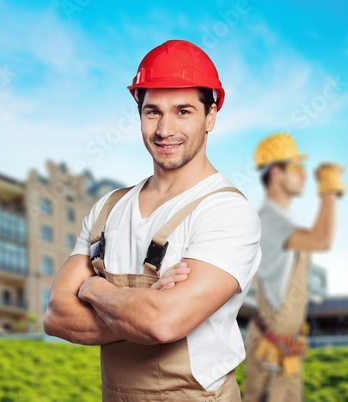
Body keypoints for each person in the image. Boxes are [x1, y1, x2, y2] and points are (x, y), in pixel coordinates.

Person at [44, 39, 261, 401]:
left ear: (211, 116)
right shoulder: (107, 209)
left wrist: (94, 289)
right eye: (153, 112)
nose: (165, 130)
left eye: (183, 111)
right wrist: (141, 304)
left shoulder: (226, 211)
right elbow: (56, 316)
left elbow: (163, 323)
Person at [243, 133, 344, 402]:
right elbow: (321, 239)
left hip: (284, 351)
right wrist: (329, 189)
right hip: (271, 354)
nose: (303, 175)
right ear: (276, 172)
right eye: (296, 168)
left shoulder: (282, 220)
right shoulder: (270, 221)